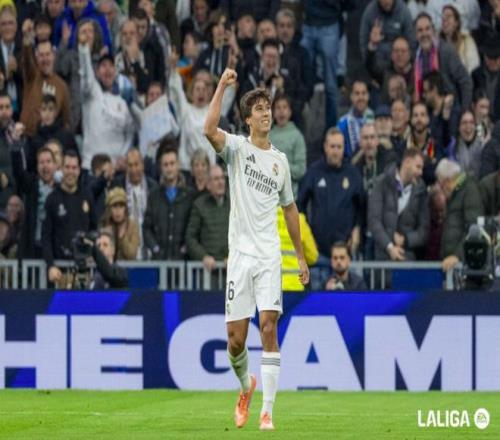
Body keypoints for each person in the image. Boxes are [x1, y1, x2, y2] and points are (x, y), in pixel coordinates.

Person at [204, 70, 309, 430]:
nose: (266, 113)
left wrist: (299, 255)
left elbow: (290, 209)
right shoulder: (237, 149)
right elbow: (208, 129)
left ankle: (267, 411)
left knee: (268, 327)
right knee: (236, 341)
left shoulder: (280, 162)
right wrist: (221, 86)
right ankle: (245, 385)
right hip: (240, 258)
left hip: (268, 257)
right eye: (259, 109)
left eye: (268, 108)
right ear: (248, 119)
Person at [298, 128, 363, 289]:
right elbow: (300, 205)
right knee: (319, 300)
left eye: (339, 147)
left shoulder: (353, 173)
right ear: (325, 147)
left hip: (345, 254)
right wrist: (308, 237)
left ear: (343, 148)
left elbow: (362, 206)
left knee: (351, 301)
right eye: (332, 146)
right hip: (319, 253)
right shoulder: (314, 172)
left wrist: (357, 228)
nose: (335, 151)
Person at [79, 30, 135, 170]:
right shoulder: (91, 93)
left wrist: (123, 156)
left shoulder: (123, 101)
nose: (108, 69)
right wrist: (84, 49)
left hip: (116, 169)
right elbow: (86, 76)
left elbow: (130, 132)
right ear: (97, 72)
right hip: (91, 167)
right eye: (103, 66)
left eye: (111, 66)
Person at [42, 150, 96, 285]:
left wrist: (92, 254)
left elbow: (94, 230)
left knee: (83, 300)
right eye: (67, 167)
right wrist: (50, 265)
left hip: (84, 269)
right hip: (59, 271)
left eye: (74, 168)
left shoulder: (87, 196)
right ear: (61, 168)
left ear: (79, 170)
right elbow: (46, 237)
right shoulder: (52, 199)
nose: (70, 171)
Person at [369, 148, 429, 261]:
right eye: (418, 167)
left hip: (407, 258)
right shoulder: (381, 183)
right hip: (382, 257)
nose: (421, 172)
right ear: (407, 162)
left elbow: (424, 230)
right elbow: (374, 221)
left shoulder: (421, 191)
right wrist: (390, 247)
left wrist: (405, 240)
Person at [20, 20, 71, 136]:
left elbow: (66, 121)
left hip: (49, 139)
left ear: (53, 56)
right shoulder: (32, 76)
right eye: (41, 55)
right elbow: (27, 59)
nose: (45, 59)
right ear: (37, 58)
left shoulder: (62, 86)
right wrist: (27, 38)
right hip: (28, 136)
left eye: (47, 54)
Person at [413, 12, 472, 110]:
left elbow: (465, 81)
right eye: (420, 30)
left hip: (450, 108)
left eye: (427, 29)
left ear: (433, 30)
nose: (424, 34)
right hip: (425, 109)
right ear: (415, 35)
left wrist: (465, 110)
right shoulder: (415, 56)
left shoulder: (446, 51)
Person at [143, 146, 193, 260]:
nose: (169, 168)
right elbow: (146, 228)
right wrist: (155, 248)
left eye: (172, 163)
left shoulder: (189, 195)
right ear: (161, 167)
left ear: (178, 165)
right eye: (165, 165)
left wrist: (185, 248)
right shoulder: (153, 195)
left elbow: (193, 228)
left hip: (182, 261)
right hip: (159, 261)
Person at [436, 158, 484, 272]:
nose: (441, 189)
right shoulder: (456, 194)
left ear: (447, 181)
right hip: (449, 263)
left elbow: (473, 229)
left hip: (461, 265)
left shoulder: (469, 191)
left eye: (441, 185)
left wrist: (457, 255)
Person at [185, 164, 230, 285]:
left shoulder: (234, 203)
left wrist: (233, 256)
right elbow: (190, 237)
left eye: (222, 178)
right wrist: (203, 256)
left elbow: (242, 234)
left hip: (231, 270)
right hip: (208, 271)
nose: (220, 182)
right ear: (208, 184)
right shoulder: (199, 205)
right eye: (216, 179)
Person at [12, 145, 56, 258]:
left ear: (55, 165)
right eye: (41, 162)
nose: (45, 165)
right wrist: (16, 146)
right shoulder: (31, 185)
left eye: (48, 161)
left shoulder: (62, 188)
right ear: (37, 166)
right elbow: (18, 173)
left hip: (55, 247)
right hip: (34, 246)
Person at [269, 94, 306, 197]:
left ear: (290, 112)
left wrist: (282, 164)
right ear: (273, 112)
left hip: (289, 198)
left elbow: (301, 170)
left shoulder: (297, 136)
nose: (281, 111)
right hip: (267, 198)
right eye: (278, 108)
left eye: (285, 107)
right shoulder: (267, 136)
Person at [359, 0, 414, 65]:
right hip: (377, 64)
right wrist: (373, 44)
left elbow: (411, 42)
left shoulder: (403, 11)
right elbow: (363, 46)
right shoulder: (369, 12)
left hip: (399, 63)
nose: (387, 2)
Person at [100, 186, 140, 260]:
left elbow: (131, 255)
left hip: (128, 266)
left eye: (121, 206)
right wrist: (107, 234)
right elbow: (100, 253)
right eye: (114, 206)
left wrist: (122, 237)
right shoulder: (103, 224)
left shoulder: (132, 226)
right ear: (109, 209)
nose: (118, 211)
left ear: (125, 209)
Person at [337, 80, 374, 158]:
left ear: (368, 96)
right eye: (357, 94)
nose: (361, 97)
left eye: (363, 93)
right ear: (351, 97)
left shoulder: (376, 120)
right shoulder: (343, 123)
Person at [440, 4, 479, 74]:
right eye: (443, 17)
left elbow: (474, 67)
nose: (444, 19)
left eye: (448, 16)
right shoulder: (437, 43)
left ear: (456, 22)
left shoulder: (467, 41)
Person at [0, 6, 23, 117]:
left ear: (16, 26)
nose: (7, 27)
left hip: (22, 108)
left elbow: (31, 78)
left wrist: (17, 70)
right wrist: (5, 76)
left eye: (10, 23)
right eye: (3, 24)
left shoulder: (25, 48)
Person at [448, 110, 484, 178]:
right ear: (459, 127)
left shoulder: (482, 145)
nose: (468, 126)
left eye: (471, 122)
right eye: (464, 123)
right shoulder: (453, 146)